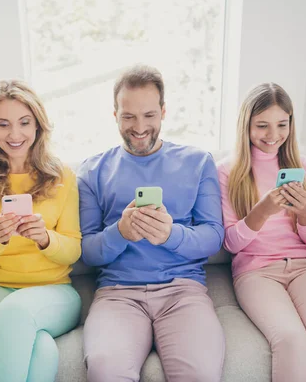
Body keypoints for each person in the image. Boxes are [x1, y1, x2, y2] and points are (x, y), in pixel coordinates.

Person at [78, 64, 226, 382]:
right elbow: (87, 251)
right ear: (114, 115)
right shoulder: (92, 171)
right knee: (105, 369)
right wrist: (121, 232)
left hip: (182, 291)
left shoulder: (198, 162)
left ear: (163, 112)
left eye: (148, 115)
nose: (139, 127)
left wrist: (170, 234)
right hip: (118, 294)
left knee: (200, 373)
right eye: (128, 116)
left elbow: (214, 236)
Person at [217, 82, 306, 382]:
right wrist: (262, 211)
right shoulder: (227, 172)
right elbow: (231, 243)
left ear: (291, 124)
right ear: (247, 125)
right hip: (256, 272)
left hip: (305, 267)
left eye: (282, 124)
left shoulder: (304, 167)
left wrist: (305, 211)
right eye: (262, 126)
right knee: (290, 338)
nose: (273, 135)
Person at [0, 80, 82, 382]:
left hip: (53, 290)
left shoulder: (62, 176)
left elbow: (74, 250)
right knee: (42, 352)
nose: (15, 135)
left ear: (38, 125)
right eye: (3, 125)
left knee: (16, 312)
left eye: (24, 123)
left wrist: (45, 238)